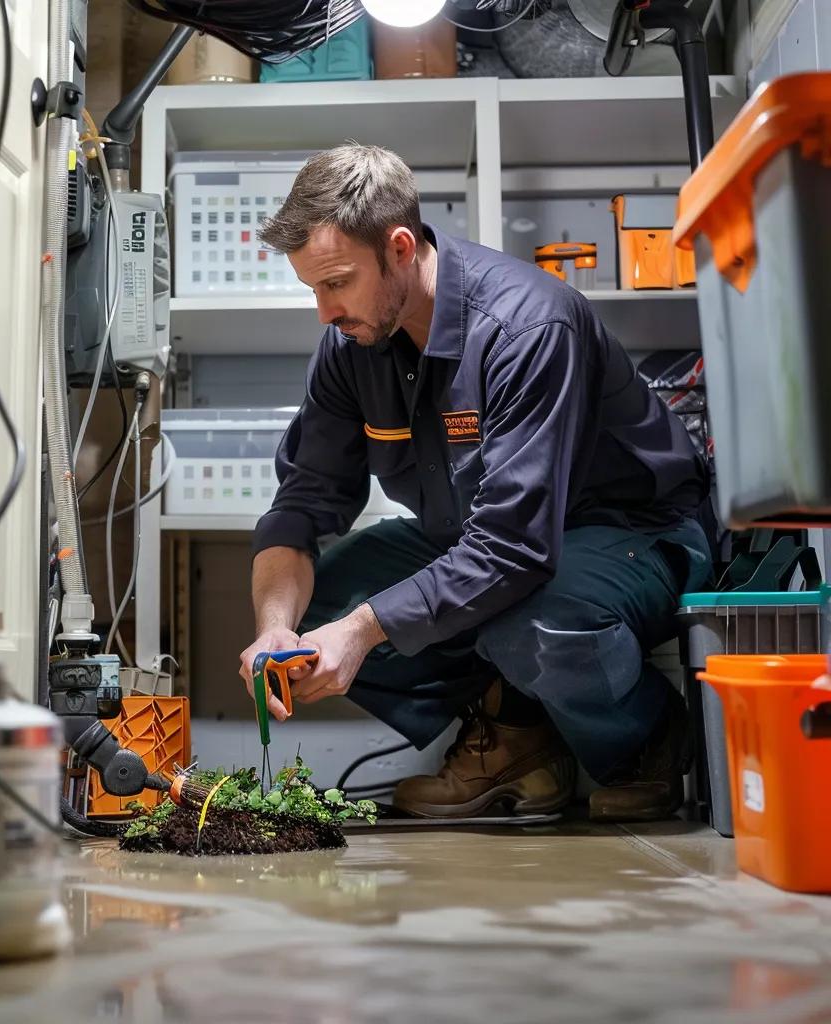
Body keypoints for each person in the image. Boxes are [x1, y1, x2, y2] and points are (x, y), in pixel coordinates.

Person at [238, 144, 712, 822]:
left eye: (337, 282)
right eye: (312, 288)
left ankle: (648, 739)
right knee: (320, 613)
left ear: (400, 248)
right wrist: (275, 631)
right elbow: (304, 502)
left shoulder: (527, 327)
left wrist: (367, 632)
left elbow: (515, 548)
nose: (323, 311)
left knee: (528, 621)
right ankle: (519, 735)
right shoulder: (352, 348)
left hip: (630, 535)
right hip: (476, 540)